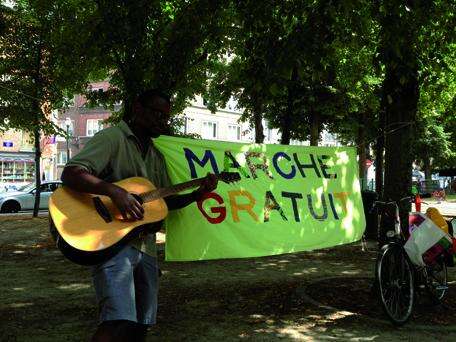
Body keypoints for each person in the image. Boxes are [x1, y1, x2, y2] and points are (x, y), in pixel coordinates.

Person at [61, 89, 218, 342]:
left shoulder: (156, 155)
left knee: (141, 325)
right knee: (117, 321)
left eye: (165, 117)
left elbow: (164, 202)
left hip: (145, 247)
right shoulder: (112, 139)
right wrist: (114, 192)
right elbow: (71, 173)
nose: (161, 121)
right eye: (156, 113)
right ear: (137, 108)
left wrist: (197, 194)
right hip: (112, 244)